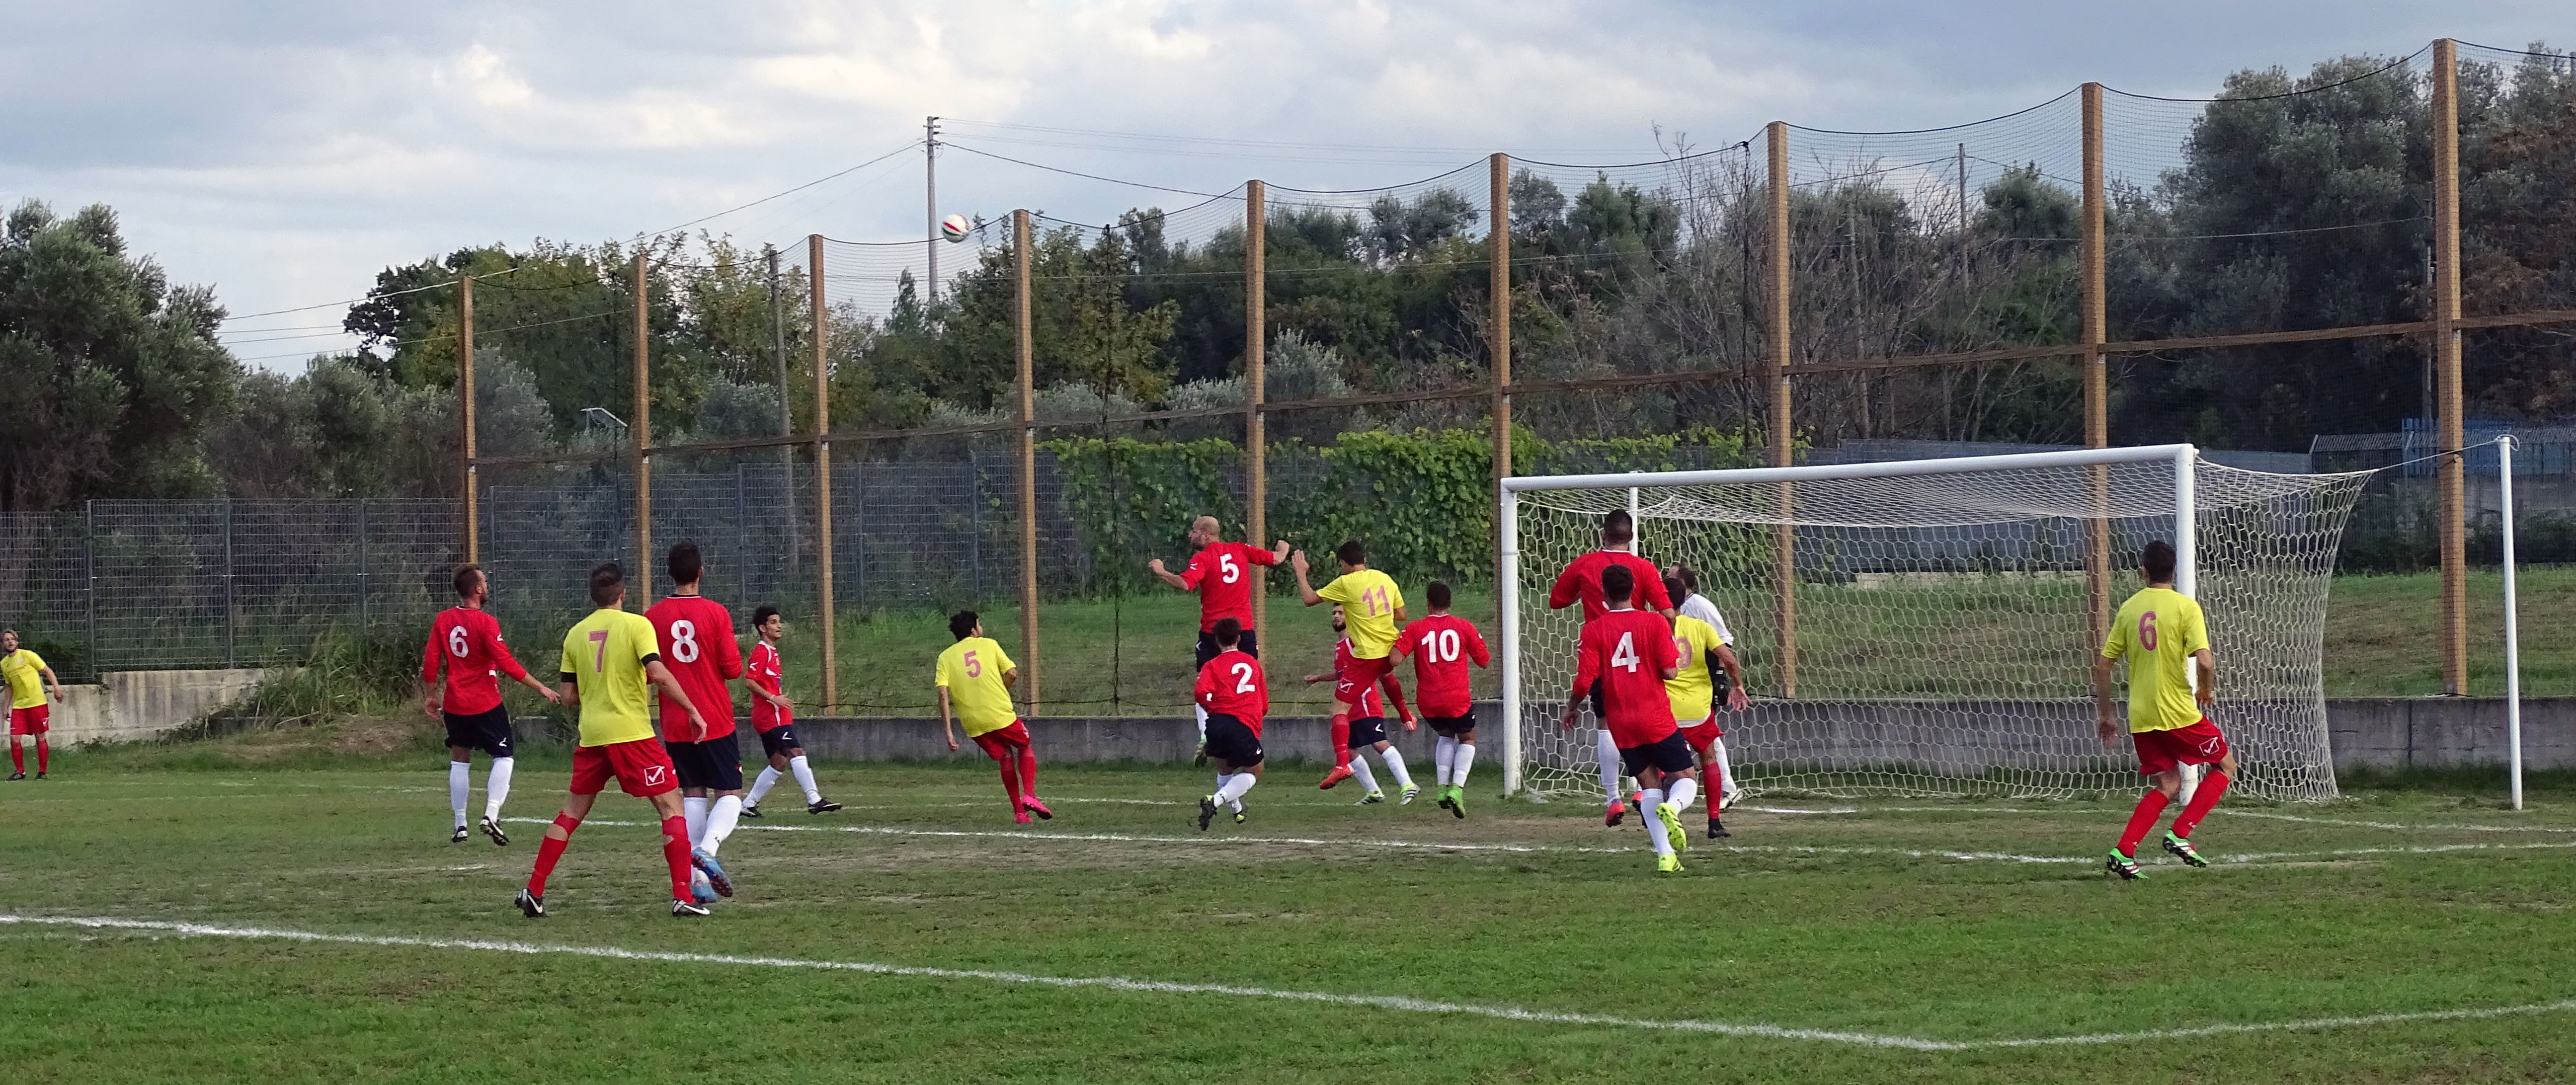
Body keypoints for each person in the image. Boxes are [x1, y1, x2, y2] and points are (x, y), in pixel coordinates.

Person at [516, 562, 716, 919]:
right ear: (623, 594)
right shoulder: (638, 625)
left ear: (594, 597)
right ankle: (682, 895)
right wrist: (692, 710)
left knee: (570, 813)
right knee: (672, 808)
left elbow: (568, 696)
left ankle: (534, 889)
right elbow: (657, 672)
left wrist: (600, 685)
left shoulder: (575, 634)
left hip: (592, 736)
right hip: (632, 735)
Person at [2094, 540, 2234, 880]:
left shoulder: (2129, 608)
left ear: (2143, 572)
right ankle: (2181, 833)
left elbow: (2102, 667)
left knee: (2169, 784)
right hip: (2177, 713)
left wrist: (2108, 716)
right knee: (2226, 766)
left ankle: (2124, 851)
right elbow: (2205, 660)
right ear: (2174, 572)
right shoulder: (2186, 608)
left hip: (2141, 717)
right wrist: (2204, 689)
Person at [1557, 564, 1691, 873]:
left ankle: (1666, 857)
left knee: (1649, 784)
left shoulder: (1593, 630)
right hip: (1654, 716)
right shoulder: (1654, 622)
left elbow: (1583, 682)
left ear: (1603, 593)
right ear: (1634, 590)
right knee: (1685, 777)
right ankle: (1673, 809)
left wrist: (1572, 707)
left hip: (1620, 722)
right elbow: (1670, 671)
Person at [1547, 510, 1675, 827]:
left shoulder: (1585, 564)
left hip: (1603, 654)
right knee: (1647, 717)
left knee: (1606, 723)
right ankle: (1642, 790)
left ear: (1603, 535)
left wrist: (1583, 591)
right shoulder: (1643, 567)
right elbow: (1668, 612)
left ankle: (1612, 798)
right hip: (1640, 657)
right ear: (1631, 537)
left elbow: (1556, 601)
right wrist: (1666, 643)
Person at [420, 564, 560, 844]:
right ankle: (491, 814)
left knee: (460, 760)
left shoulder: (444, 619)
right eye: (484, 581)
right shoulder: (486, 623)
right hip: (485, 702)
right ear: (477, 589)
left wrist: (431, 694)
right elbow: (506, 663)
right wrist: (540, 686)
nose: (488, 585)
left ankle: (460, 824)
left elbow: (431, 661)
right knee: (505, 755)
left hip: (455, 703)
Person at [644, 542, 748, 903]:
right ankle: (708, 851)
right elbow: (733, 669)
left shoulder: (652, 617)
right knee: (731, 793)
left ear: (670, 574)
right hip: (714, 717)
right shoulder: (716, 613)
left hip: (675, 719)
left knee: (692, 794)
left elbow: (647, 671)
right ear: (701, 572)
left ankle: (696, 880)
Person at [1147, 516, 1288, 748]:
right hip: (1243, 631)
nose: (1190, 535)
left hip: (1214, 632)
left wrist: (1162, 571)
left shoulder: (1203, 558)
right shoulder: (1240, 550)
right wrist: (1284, 547)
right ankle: (1248, 734)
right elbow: (1277, 558)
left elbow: (1186, 584)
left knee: (1205, 683)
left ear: (1206, 535)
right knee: (1247, 683)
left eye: (1193, 531)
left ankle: (1206, 735)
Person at [1291, 539, 1413, 789]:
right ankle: (1406, 715)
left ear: (1344, 564)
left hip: (1368, 655)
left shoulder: (1346, 583)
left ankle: (1342, 765)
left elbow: (1309, 599)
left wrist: (1301, 573)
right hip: (1390, 650)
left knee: (1338, 710)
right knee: (1386, 677)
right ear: (1365, 561)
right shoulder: (1385, 579)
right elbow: (1402, 615)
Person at [937, 611, 1051, 823]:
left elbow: (943, 693)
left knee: (1005, 756)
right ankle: (1030, 795)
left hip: (973, 723)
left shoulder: (945, 657)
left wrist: (949, 732)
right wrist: (1002, 688)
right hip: (999, 715)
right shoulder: (989, 645)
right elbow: (1012, 673)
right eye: (979, 625)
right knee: (1025, 746)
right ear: (974, 631)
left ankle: (1020, 813)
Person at [1303, 606, 1418, 805]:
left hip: (1365, 701)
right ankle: (1374, 792)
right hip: (1349, 706)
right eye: (1334, 614)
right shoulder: (1340, 646)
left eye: (1341, 613)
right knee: (1349, 750)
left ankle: (1408, 785)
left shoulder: (1356, 642)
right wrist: (1320, 678)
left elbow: (1378, 672)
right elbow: (1343, 675)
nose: (1337, 617)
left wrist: (1404, 712)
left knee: (1380, 743)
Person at [1392, 582, 1489, 818]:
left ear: (1428, 603)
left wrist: (1392, 640)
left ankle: (1441, 788)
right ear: (1451, 604)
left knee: (1445, 735)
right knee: (1468, 738)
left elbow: (1394, 660)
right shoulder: (1463, 627)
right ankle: (1456, 789)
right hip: (1456, 699)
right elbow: (1484, 661)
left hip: (1428, 701)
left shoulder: (1415, 629)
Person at [1665, 571, 1751, 838]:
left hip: (1665, 711)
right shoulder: (1700, 627)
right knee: (1709, 759)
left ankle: (1660, 810)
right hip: (1698, 711)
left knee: (1659, 765)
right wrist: (1737, 686)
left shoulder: (1652, 626)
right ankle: (1714, 822)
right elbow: (1730, 660)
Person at [739, 606, 841, 818]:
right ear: (762, 628)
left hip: (777, 715)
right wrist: (773, 697)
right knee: (797, 752)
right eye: (774, 623)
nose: (779, 626)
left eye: (779, 622)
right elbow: (749, 681)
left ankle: (748, 804)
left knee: (778, 764)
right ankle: (814, 800)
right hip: (770, 717)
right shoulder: (761, 651)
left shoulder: (772, 651)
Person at [1194, 618, 1268, 831]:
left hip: (1216, 724)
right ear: (1239, 638)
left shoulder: (1212, 665)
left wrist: (1212, 708)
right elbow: (1264, 703)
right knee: (1255, 771)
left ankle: (1237, 811)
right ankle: (1215, 801)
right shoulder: (1252, 664)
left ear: (1217, 641)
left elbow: (1200, 693)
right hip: (1241, 724)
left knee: (1226, 770)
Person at [2, 629, 64, 781]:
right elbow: (9, 687)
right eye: (7, 640)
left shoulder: (28, 655)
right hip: (20, 706)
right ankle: (20, 772)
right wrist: (6, 707)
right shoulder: (4, 664)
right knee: (15, 738)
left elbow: (47, 671)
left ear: (17, 641)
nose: (10, 642)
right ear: (3, 644)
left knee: (40, 736)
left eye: (13, 639)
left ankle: (42, 773)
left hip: (37, 703)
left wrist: (57, 688)